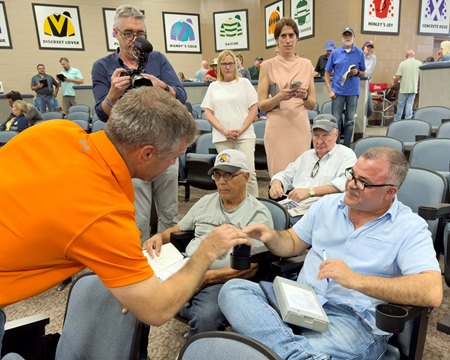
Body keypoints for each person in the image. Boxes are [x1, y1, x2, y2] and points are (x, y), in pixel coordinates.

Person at [0, 87, 254, 354]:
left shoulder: (55, 130)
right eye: (173, 156)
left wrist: (125, 278)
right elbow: (156, 309)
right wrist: (205, 252)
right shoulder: (104, 213)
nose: (174, 163)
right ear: (146, 154)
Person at [218, 147, 442, 360]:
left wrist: (357, 280)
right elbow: (293, 242)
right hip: (301, 301)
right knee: (234, 290)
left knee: (253, 340)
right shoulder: (328, 205)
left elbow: (430, 291)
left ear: (389, 192)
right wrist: (270, 236)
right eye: (352, 175)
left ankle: (281, 349)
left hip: (353, 321)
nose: (351, 185)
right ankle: (296, 354)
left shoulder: (409, 227)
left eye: (363, 182)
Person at [144, 149, 273, 338]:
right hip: (186, 265)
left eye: (229, 175)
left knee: (206, 317)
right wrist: (159, 237)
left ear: (245, 177)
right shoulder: (205, 201)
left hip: (221, 279)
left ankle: (196, 346)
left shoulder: (257, 214)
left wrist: (205, 278)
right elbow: (178, 229)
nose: (221, 181)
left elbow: (251, 268)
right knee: (140, 290)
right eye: (217, 175)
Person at [92, 4, 186, 240]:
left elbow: (182, 96)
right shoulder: (103, 66)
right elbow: (102, 114)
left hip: (165, 146)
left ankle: (170, 262)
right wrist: (113, 94)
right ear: (115, 33)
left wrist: (162, 86)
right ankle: (142, 268)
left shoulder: (157, 60)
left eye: (140, 34)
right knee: (139, 218)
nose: (135, 39)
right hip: (130, 152)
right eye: (128, 33)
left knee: (170, 214)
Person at [269, 114, 356, 225]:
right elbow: (285, 175)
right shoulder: (307, 155)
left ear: (336, 135)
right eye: (316, 135)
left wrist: (310, 192)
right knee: (263, 215)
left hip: (323, 209)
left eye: (325, 135)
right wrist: (276, 184)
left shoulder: (346, 155)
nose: (319, 141)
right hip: (294, 205)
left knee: (279, 224)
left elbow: (344, 184)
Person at [258, 17, 316, 177]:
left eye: (291, 35)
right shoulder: (267, 66)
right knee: (278, 178)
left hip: (300, 128)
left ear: (297, 38)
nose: (288, 40)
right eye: (283, 36)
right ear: (277, 39)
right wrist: (279, 97)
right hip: (277, 128)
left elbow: (312, 105)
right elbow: (262, 105)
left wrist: (304, 97)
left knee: (300, 177)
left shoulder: (306, 64)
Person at [201, 50, 259, 197]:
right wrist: (224, 130)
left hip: (244, 135)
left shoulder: (244, 83)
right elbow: (208, 113)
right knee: (227, 176)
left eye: (230, 63)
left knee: (248, 174)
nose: (228, 67)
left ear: (236, 64)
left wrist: (240, 129)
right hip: (222, 137)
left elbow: (254, 109)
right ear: (219, 66)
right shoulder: (214, 86)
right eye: (224, 64)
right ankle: (232, 206)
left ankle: (255, 209)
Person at [324, 27, 365, 147]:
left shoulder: (359, 53)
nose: (347, 37)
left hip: (353, 93)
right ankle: (335, 148)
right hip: (337, 92)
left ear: (353, 37)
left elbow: (364, 73)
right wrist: (330, 90)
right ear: (342, 37)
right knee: (336, 121)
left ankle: (347, 148)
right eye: (345, 35)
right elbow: (327, 73)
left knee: (350, 122)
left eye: (349, 35)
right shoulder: (335, 53)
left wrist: (357, 73)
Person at [393, 50, 422, 122]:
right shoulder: (419, 63)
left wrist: (395, 82)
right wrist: (419, 86)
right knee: (410, 104)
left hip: (403, 88)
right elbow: (421, 77)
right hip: (413, 88)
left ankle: (397, 120)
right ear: (413, 55)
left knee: (400, 105)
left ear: (406, 56)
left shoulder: (403, 63)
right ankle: (408, 120)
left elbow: (398, 76)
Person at [362, 40, 377, 118]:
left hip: (366, 84)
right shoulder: (359, 55)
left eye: (371, 47)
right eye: (368, 46)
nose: (369, 49)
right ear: (364, 47)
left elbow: (368, 71)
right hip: (357, 83)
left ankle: (364, 122)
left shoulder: (373, 58)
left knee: (370, 109)